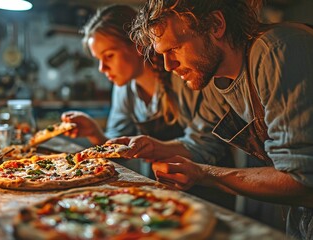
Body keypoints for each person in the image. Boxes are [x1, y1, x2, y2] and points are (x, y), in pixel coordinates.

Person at [122, 0, 313, 238]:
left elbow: (302, 180)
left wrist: (204, 174)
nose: (168, 66)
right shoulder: (215, 77)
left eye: (174, 49)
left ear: (215, 25)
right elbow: (201, 144)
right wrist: (154, 147)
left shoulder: (278, 50)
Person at [61, 4, 235, 209]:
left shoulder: (184, 74)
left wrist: (155, 148)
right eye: (99, 59)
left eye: (109, 56)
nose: (102, 68)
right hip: (160, 191)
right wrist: (95, 133)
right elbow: (119, 151)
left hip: (208, 192)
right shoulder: (124, 88)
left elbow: (206, 145)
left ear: (138, 45)